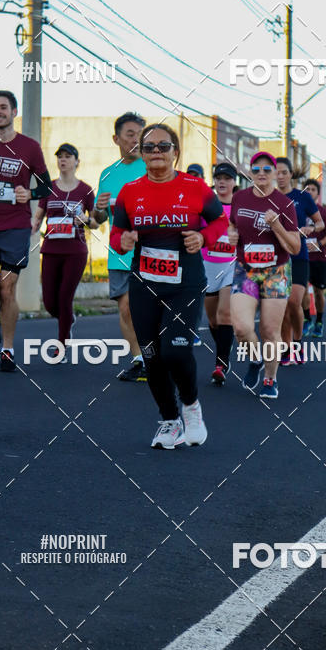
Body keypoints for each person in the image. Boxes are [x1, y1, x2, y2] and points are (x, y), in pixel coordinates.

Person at [110, 125, 227, 449]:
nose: (157, 151)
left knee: (176, 351)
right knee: (152, 356)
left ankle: (191, 407)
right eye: (149, 147)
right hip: (145, 284)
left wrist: (203, 237)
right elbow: (115, 237)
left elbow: (220, 222)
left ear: (176, 151)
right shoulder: (130, 192)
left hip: (185, 283)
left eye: (164, 145)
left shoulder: (195, 187)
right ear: (142, 153)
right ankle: (170, 421)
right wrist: (125, 240)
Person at [0, 91, 53, 372]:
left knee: (8, 287)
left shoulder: (30, 147)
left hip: (15, 227)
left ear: (14, 111)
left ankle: (7, 350)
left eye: (3, 107)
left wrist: (28, 192)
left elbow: (46, 187)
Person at [229, 152, 300, 399]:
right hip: (246, 271)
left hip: (276, 272)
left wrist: (277, 225)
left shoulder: (285, 204)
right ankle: (256, 359)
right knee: (241, 327)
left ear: (274, 173)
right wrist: (231, 234)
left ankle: (271, 379)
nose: (261, 173)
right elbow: (232, 223)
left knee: (270, 330)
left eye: (267, 169)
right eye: (256, 169)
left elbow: (295, 247)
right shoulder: (239, 197)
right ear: (250, 172)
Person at [32, 144, 97, 363]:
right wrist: (27, 227)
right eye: (60, 156)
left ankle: (61, 345)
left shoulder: (85, 190)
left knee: (64, 298)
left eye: (68, 156)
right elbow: (38, 216)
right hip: (51, 250)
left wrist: (86, 219)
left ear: (77, 161)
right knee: (50, 302)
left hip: (75, 252)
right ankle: (67, 321)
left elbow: (96, 221)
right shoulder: (48, 188)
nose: (63, 160)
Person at [94, 112, 147, 381]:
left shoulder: (152, 169)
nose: (136, 140)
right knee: (126, 308)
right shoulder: (107, 174)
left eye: (140, 134)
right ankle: (140, 359)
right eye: (130, 134)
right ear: (116, 138)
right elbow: (98, 219)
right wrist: (99, 210)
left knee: (150, 309)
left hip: (151, 252)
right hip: (119, 254)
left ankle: (156, 355)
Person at [275, 158, 323, 364]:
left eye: (284, 172)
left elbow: (320, 222)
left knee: (294, 301)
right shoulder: (268, 197)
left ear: (291, 174)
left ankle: (298, 343)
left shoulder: (302, 197)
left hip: (299, 255)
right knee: (284, 305)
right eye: (276, 172)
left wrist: (311, 228)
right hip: (277, 257)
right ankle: (286, 349)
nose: (280, 176)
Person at [201, 161, 237, 385]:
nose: (222, 181)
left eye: (227, 178)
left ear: (234, 182)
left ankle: (221, 363)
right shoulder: (206, 206)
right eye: (218, 178)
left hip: (232, 265)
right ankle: (223, 347)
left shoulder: (240, 207)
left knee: (225, 314)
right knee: (213, 320)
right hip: (207, 265)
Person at [302, 178, 326, 338]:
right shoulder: (297, 210)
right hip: (301, 258)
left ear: (317, 194)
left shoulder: (323, 212)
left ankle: (319, 322)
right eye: (306, 189)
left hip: (319, 259)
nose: (309, 192)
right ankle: (307, 318)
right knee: (300, 290)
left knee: (318, 292)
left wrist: (319, 243)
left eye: (312, 190)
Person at [186, 164, 206, 346]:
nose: (193, 178)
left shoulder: (207, 199)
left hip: (203, 255)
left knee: (196, 294)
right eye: (190, 175)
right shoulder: (179, 196)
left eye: (197, 176)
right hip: (179, 254)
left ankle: (193, 330)